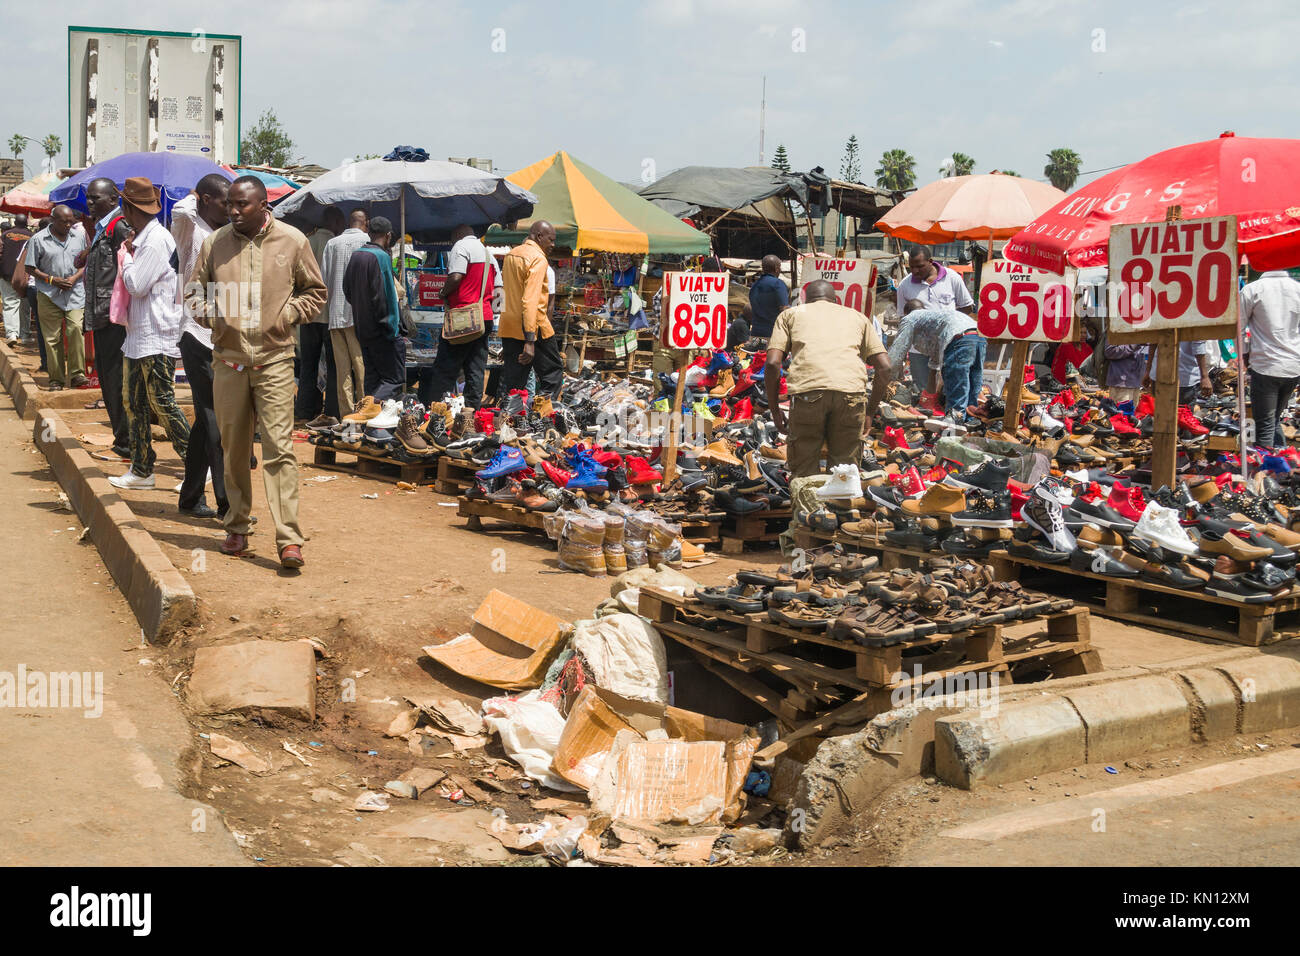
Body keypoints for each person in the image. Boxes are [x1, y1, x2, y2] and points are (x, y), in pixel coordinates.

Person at [187, 175, 327, 568]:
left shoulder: (292, 241)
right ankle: (237, 526)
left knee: (279, 449)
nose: (232, 211)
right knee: (233, 449)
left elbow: (315, 292)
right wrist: (216, 319)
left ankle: (288, 539)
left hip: (276, 361)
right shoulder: (216, 243)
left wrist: (287, 315)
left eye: (241, 205)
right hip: (228, 362)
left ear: (263, 205)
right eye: (229, 204)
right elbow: (194, 292)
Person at [106, 179, 191, 490]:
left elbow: (136, 285)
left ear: (128, 208)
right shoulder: (144, 238)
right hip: (140, 334)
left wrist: (125, 257)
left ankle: (197, 464)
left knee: (162, 402)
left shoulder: (155, 241)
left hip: (157, 333)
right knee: (134, 403)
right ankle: (142, 469)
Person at [766, 279, 891, 478]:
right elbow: (885, 367)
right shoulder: (858, 317)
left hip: (808, 394)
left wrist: (774, 410)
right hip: (851, 395)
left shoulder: (790, 315)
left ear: (804, 299)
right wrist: (870, 412)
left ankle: (809, 508)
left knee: (805, 471)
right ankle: (841, 507)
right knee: (844, 473)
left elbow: (772, 363)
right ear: (835, 300)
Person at [172, 173, 231, 519]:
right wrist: (193, 194)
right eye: (225, 201)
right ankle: (228, 503)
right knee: (215, 418)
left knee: (205, 421)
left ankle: (190, 497)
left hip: (221, 335)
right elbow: (181, 212)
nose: (231, 208)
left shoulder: (225, 234)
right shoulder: (189, 230)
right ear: (205, 200)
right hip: (195, 334)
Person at [80, 178, 135, 459]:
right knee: (109, 379)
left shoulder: (120, 227)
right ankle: (122, 441)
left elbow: (131, 268)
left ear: (113, 199)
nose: (89, 203)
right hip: (102, 316)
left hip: (114, 318)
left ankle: (125, 444)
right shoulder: (103, 228)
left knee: (116, 381)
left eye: (95, 199)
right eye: (88, 198)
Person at [423, 224, 500, 410]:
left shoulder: (460, 247)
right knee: (476, 368)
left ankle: (438, 410)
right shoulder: (490, 255)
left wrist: (443, 292)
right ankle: (471, 411)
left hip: (463, 318)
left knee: (446, 367)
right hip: (484, 318)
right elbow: (498, 290)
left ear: (457, 235)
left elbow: (456, 277)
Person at [878, 300, 985, 423]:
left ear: (906, 312)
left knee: (957, 388)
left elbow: (897, 351)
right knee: (973, 389)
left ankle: (953, 430)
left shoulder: (910, 318)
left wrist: (884, 379)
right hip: (979, 336)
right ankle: (971, 425)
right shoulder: (935, 318)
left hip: (959, 338)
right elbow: (935, 358)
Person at [341, 216, 404, 404]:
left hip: (363, 328)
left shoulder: (356, 255)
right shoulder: (382, 257)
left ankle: (369, 421)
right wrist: (392, 329)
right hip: (382, 331)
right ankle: (370, 407)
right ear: (388, 235)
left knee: (372, 380)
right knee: (394, 379)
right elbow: (385, 297)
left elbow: (347, 290)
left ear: (369, 233)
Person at [25, 204, 89, 389]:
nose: (68, 225)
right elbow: (29, 267)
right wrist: (52, 280)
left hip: (74, 293)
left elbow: (85, 263)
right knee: (52, 338)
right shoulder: (38, 239)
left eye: (71, 221)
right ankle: (56, 379)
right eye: (64, 222)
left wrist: (74, 277)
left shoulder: (79, 237)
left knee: (76, 329)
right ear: (53, 220)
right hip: (48, 294)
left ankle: (77, 374)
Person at [895, 247, 974, 393]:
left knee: (948, 390)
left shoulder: (952, 278)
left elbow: (967, 307)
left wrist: (949, 327)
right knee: (923, 392)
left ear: (930, 262)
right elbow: (903, 318)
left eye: (919, 266)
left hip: (948, 347)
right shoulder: (904, 286)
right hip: (918, 350)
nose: (915, 271)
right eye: (911, 267)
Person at [499, 221, 563, 401]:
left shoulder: (511, 254)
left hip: (510, 325)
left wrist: (505, 334)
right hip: (533, 327)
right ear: (539, 236)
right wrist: (529, 340)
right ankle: (542, 416)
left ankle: (514, 420)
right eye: (551, 240)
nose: (553, 245)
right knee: (552, 373)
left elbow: (504, 293)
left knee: (515, 382)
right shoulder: (538, 258)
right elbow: (530, 300)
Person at [1239, 269, 1300, 449]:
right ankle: (1281, 465)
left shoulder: (1253, 289)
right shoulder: (1297, 288)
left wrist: (1244, 356)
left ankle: (1264, 473)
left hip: (1265, 366)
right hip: (1292, 366)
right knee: (1273, 420)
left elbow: (1239, 329)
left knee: (1266, 424)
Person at [321, 208, 370, 415]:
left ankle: (347, 415)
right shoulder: (368, 241)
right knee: (362, 369)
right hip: (359, 316)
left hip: (335, 314)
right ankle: (365, 412)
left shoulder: (332, 244)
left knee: (343, 371)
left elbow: (323, 280)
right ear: (365, 222)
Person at [297, 206, 343, 424]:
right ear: (334, 222)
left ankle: (305, 410)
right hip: (330, 316)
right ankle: (332, 410)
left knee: (308, 366)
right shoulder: (336, 244)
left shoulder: (308, 241)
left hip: (308, 316)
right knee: (334, 367)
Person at [1145, 338, 1213, 407]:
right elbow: (1198, 346)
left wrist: (1148, 371)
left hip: (1161, 376)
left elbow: (1153, 342)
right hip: (1183, 378)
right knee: (1182, 414)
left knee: (1160, 413)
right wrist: (1204, 376)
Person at [1, 213, 33, 346]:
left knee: (9, 303)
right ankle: (25, 335)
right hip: (25, 275)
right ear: (26, 223)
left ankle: (12, 334)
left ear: (15, 222)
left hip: (6, 273)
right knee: (25, 305)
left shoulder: (5, 235)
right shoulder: (32, 236)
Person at [747, 255, 789, 339]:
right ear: (776, 268)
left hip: (755, 334)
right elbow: (784, 310)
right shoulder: (778, 284)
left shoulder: (754, 286)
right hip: (773, 334)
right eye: (780, 267)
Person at [1103, 342, 1147, 407]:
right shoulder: (1115, 332)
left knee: (1132, 415)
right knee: (1121, 414)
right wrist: (1134, 344)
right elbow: (1109, 351)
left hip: (1135, 382)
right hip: (1121, 383)